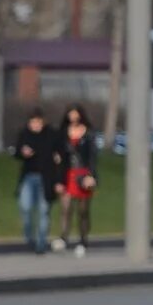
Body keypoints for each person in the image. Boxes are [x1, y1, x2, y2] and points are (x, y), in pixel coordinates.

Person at [11, 107, 64, 254]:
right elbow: (16, 153)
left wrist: (59, 181)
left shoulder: (52, 135)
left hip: (46, 178)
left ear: (43, 122)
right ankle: (29, 237)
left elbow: (61, 158)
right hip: (29, 177)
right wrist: (23, 153)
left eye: (38, 122)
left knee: (43, 211)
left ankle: (41, 243)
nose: (35, 125)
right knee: (25, 207)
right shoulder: (24, 135)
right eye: (33, 122)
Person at [54, 104, 98, 257]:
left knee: (83, 210)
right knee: (66, 208)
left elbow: (92, 156)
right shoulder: (64, 133)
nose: (74, 119)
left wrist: (91, 176)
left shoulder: (88, 134)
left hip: (83, 173)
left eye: (76, 116)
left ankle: (83, 240)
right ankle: (63, 236)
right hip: (68, 173)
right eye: (71, 116)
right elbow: (60, 153)